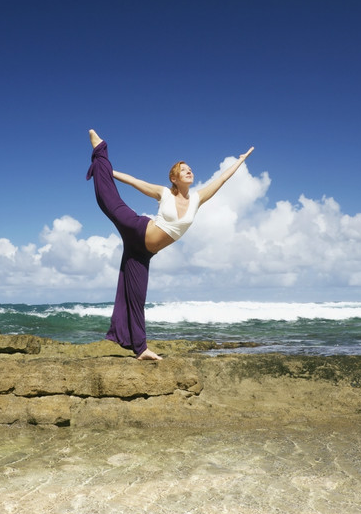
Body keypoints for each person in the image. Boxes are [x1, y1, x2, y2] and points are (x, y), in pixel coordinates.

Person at [86, 129, 254, 360]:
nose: (189, 171)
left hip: (142, 254)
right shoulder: (164, 193)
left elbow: (222, 180)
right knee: (108, 201)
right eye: (184, 170)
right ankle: (100, 151)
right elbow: (136, 181)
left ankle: (141, 349)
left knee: (136, 298)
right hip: (138, 229)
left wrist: (240, 161)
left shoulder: (197, 199)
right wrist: (107, 171)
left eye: (190, 169)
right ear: (174, 178)